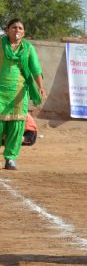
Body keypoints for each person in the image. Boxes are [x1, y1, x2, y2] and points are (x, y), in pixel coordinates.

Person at [1, 18, 46, 170]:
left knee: (17, 125)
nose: (17, 30)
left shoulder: (28, 48)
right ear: (7, 30)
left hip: (20, 93)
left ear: (24, 32)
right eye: (14, 27)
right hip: (1, 91)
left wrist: (40, 87)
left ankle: (10, 158)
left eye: (20, 28)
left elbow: (36, 69)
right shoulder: (1, 45)